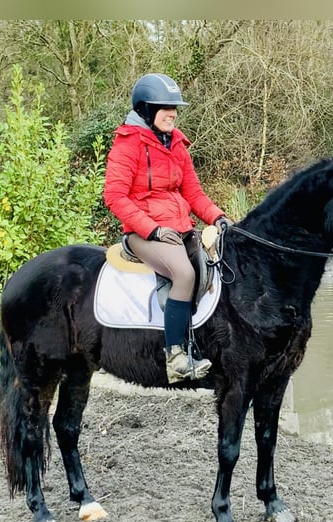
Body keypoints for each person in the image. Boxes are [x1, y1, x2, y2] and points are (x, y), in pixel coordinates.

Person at [103, 73, 232, 384]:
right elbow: (114, 196)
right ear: (146, 109)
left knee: (220, 262)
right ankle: (175, 357)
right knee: (184, 274)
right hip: (144, 233)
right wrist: (152, 230)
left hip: (181, 228)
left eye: (175, 107)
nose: (172, 112)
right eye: (165, 107)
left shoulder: (177, 144)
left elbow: (194, 194)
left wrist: (217, 217)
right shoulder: (128, 144)